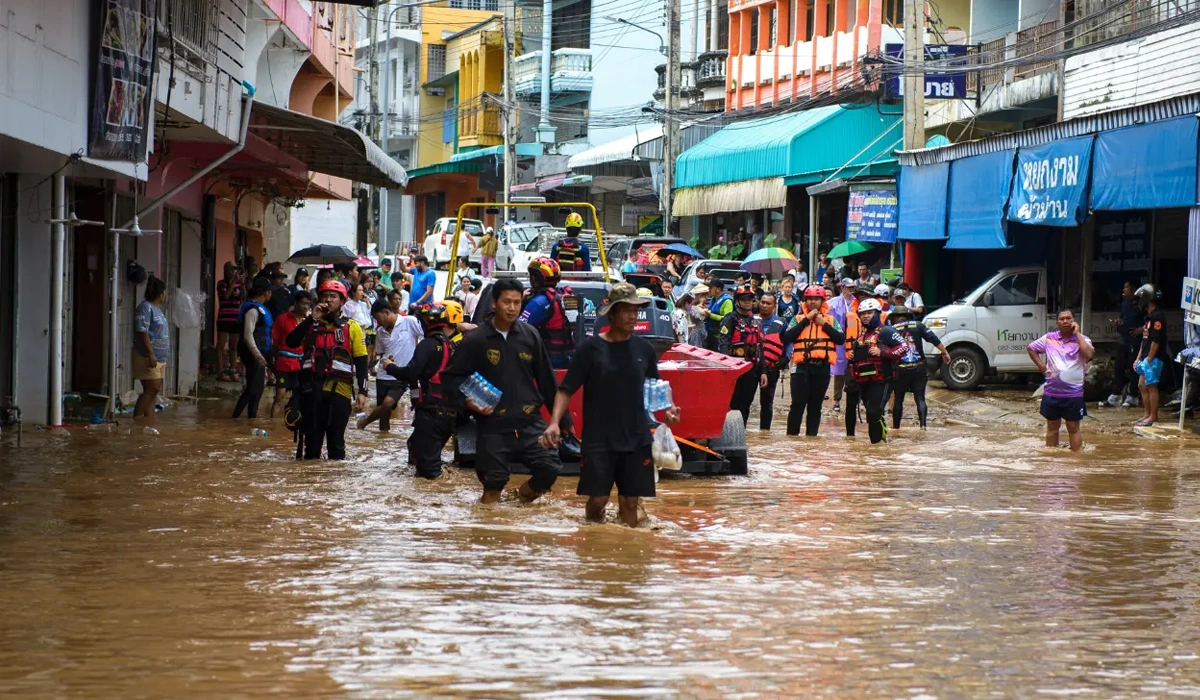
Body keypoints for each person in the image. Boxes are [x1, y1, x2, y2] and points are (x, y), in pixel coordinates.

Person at [544, 283, 679, 526]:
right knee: (598, 499)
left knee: (630, 502)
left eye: (634, 310)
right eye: (625, 310)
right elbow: (566, 390)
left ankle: (627, 556)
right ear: (612, 313)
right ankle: (593, 542)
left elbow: (656, 390)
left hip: (637, 437)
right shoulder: (591, 349)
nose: (631, 316)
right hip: (599, 439)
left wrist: (668, 412)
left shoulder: (644, 350)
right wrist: (554, 423)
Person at [442, 278, 566, 504]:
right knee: (493, 484)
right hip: (493, 425)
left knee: (549, 469)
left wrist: (562, 422)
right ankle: (492, 528)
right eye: (506, 302)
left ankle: (519, 503)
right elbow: (450, 378)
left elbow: (548, 381)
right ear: (494, 303)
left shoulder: (530, 336)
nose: (512, 308)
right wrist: (466, 402)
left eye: (517, 303)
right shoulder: (477, 340)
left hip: (530, 421)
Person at [286, 280, 370, 460]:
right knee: (312, 445)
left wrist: (363, 391)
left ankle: (334, 483)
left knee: (336, 443)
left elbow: (362, 361)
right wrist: (311, 318)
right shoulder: (310, 324)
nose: (328, 300)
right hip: (311, 392)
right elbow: (291, 342)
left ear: (342, 301)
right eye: (325, 296)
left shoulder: (352, 327)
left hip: (340, 392)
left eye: (333, 296)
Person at [778, 285, 844, 437]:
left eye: (816, 299)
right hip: (801, 368)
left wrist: (823, 324)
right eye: (810, 299)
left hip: (822, 369)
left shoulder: (831, 320)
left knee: (815, 407)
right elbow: (787, 337)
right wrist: (806, 320)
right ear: (805, 301)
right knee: (797, 405)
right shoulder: (797, 319)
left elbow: (840, 339)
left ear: (822, 301)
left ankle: (811, 438)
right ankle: (792, 438)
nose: (813, 302)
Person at [1027, 309, 1095, 450]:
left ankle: (1076, 460)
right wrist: (1041, 366)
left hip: (1073, 394)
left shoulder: (1083, 339)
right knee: (1052, 427)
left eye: (1068, 318)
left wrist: (1077, 334)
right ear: (1057, 322)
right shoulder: (1049, 338)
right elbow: (1031, 348)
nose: (1065, 321)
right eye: (1062, 319)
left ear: (1073, 320)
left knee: (1073, 427)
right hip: (1051, 392)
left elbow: (1089, 354)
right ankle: (1051, 460)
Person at [357, 300, 423, 432]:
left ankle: (364, 422)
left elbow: (426, 332)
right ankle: (383, 442)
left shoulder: (409, 321)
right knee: (384, 414)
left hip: (400, 375)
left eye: (378, 318)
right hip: (383, 375)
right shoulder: (380, 332)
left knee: (387, 404)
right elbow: (381, 353)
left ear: (386, 312)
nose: (378, 322)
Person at [845, 298, 905, 444]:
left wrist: (882, 353)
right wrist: (853, 355)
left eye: (869, 313)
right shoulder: (863, 334)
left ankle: (877, 445)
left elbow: (904, 347)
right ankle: (877, 446)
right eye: (863, 313)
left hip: (883, 379)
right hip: (864, 380)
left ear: (877, 313)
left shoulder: (887, 331)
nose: (866, 316)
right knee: (872, 414)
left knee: (873, 412)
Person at [887, 305, 950, 430]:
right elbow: (933, 338)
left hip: (900, 369)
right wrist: (944, 352)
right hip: (919, 368)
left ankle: (896, 428)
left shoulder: (890, 330)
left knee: (898, 399)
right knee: (920, 398)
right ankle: (923, 426)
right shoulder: (918, 325)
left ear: (894, 318)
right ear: (908, 316)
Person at [718, 285, 769, 425]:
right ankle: (730, 436)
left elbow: (760, 348)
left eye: (750, 299)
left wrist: (763, 372)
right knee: (733, 405)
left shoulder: (756, 321)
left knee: (746, 405)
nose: (747, 302)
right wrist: (728, 369)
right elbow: (723, 344)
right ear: (737, 301)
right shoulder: (730, 319)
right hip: (735, 370)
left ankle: (742, 434)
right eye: (744, 299)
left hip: (751, 370)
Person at [519, 257, 577, 369]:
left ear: (535, 277)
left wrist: (519, 301)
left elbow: (518, 328)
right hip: (568, 355)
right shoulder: (566, 296)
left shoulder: (539, 302)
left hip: (546, 357)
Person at [233, 277, 274, 419]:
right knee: (252, 388)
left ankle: (252, 418)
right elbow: (247, 334)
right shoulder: (252, 310)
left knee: (258, 388)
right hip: (252, 352)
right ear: (267, 292)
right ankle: (235, 418)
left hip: (260, 352)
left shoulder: (260, 309)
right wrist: (257, 354)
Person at [133, 275, 170, 423]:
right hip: (148, 356)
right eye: (165, 292)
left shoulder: (158, 310)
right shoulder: (145, 307)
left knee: (154, 391)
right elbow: (143, 332)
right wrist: (150, 354)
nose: (166, 295)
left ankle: (148, 420)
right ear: (160, 294)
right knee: (151, 389)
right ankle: (137, 418)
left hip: (160, 358)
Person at [1104, 278, 1144, 408]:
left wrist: (1141, 329)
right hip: (1123, 339)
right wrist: (1119, 322)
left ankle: (1133, 396)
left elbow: (1150, 321)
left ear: (1133, 289)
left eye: (1126, 287)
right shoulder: (1125, 302)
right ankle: (1115, 396)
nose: (1123, 290)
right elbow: (1123, 317)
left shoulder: (1142, 303)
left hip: (1135, 340)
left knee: (1133, 369)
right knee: (1119, 367)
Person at [271, 290, 311, 419]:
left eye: (308, 304)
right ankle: (272, 425)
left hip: (302, 365)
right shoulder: (283, 319)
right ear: (296, 303)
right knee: (279, 396)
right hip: (284, 363)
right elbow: (275, 341)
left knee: (299, 397)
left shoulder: (309, 322)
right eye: (303, 303)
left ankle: (291, 424)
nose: (305, 307)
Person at [1134, 283, 1169, 426]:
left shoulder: (1158, 316)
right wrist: (1139, 357)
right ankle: (1147, 414)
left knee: (1151, 385)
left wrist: (1150, 357)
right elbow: (1145, 340)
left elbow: (1157, 339)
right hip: (1146, 356)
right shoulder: (1148, 318)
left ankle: (1153, 416)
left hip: (1153, 357)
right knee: (1142, 385)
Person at [757, 292, 789, 431]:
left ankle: (765, 432)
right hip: (752, 366)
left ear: (774, 307)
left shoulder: (781, 323)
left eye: (768, 303)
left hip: (771, 367)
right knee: (744, 402)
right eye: (762, 302)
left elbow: (788, 343)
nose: (764, 306)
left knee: (767, 403)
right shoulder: (751, 320)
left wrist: (786, 358)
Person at [827, 279, 856, 412]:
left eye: (853, 287)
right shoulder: (832, 304)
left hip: (856, 341)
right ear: (842, 287)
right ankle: (836, 399)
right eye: (848, 287)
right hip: (840, 341)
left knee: (857, 371)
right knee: (839, 372)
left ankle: (857, 400)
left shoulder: (857, 302)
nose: (851, 289)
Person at [216, 262, 244, 381]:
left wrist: (242, 284)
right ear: (226, 270)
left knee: (233, 345)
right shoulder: (221, 283)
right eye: (232, 269)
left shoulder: (238, 284)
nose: (234, 271)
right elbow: (226, 295)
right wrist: (233, 282)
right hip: (224, 318)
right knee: (221, 345)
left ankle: (233, 370)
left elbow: (243, 297)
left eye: (235, 269)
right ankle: (221, 371)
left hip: (235, 319)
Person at [701, 279, 733, 350]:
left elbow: (727, 319)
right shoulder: (713, 299)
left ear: (718, 289)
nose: (709, 290)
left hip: (720, 336)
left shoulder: (727, 301)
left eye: (711, 288)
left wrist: (710, 315)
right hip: (709, 333)